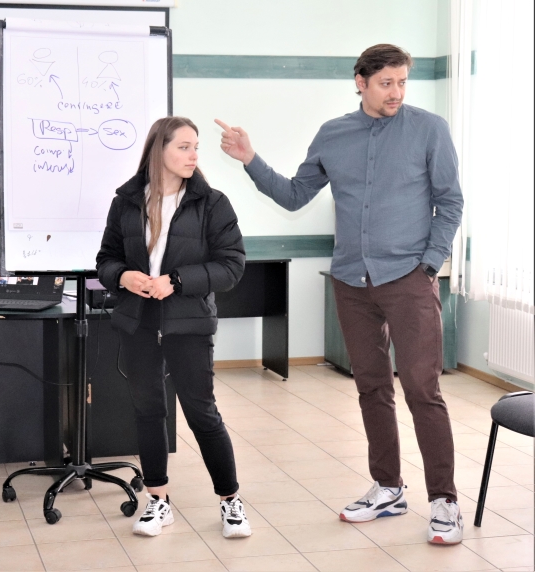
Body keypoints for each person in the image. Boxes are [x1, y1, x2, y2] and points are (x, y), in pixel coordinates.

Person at [216, 44, 464, 545]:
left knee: (422, 389)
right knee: (372, 387)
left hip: (409, 278)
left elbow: (450, 202)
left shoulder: (430, 129)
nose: (396, 92)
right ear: (360, 82)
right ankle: (388, 487)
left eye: (402, 82)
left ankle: (445, 501)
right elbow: (294, 195)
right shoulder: (334, 134)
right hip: (352, 281)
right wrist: (250, 160)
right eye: (386, 83)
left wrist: (429, 265)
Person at [96, 116, 251, 538]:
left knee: (202, 413)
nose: (193, 155)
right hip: (138, 323)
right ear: (158, 150)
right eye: (184, 146)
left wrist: (177, 281)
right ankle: (158, 500)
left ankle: (230, 500)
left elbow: (232, 265)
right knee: (148, 412)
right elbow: (106, 259)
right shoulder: (126, 201)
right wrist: (123, 277)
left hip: (189, 323)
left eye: (195, 146)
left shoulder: (212, 203)